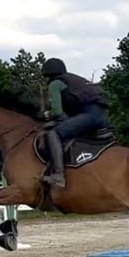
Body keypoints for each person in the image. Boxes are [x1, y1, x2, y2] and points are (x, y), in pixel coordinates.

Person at [40, 57, 111, 188]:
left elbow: (57, 111)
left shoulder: (55, 84)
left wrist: (46, 114)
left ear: (48, 74)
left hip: (90, 116)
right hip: (104, 117)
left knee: (54, 134)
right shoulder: (74, 80)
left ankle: (58, 176)